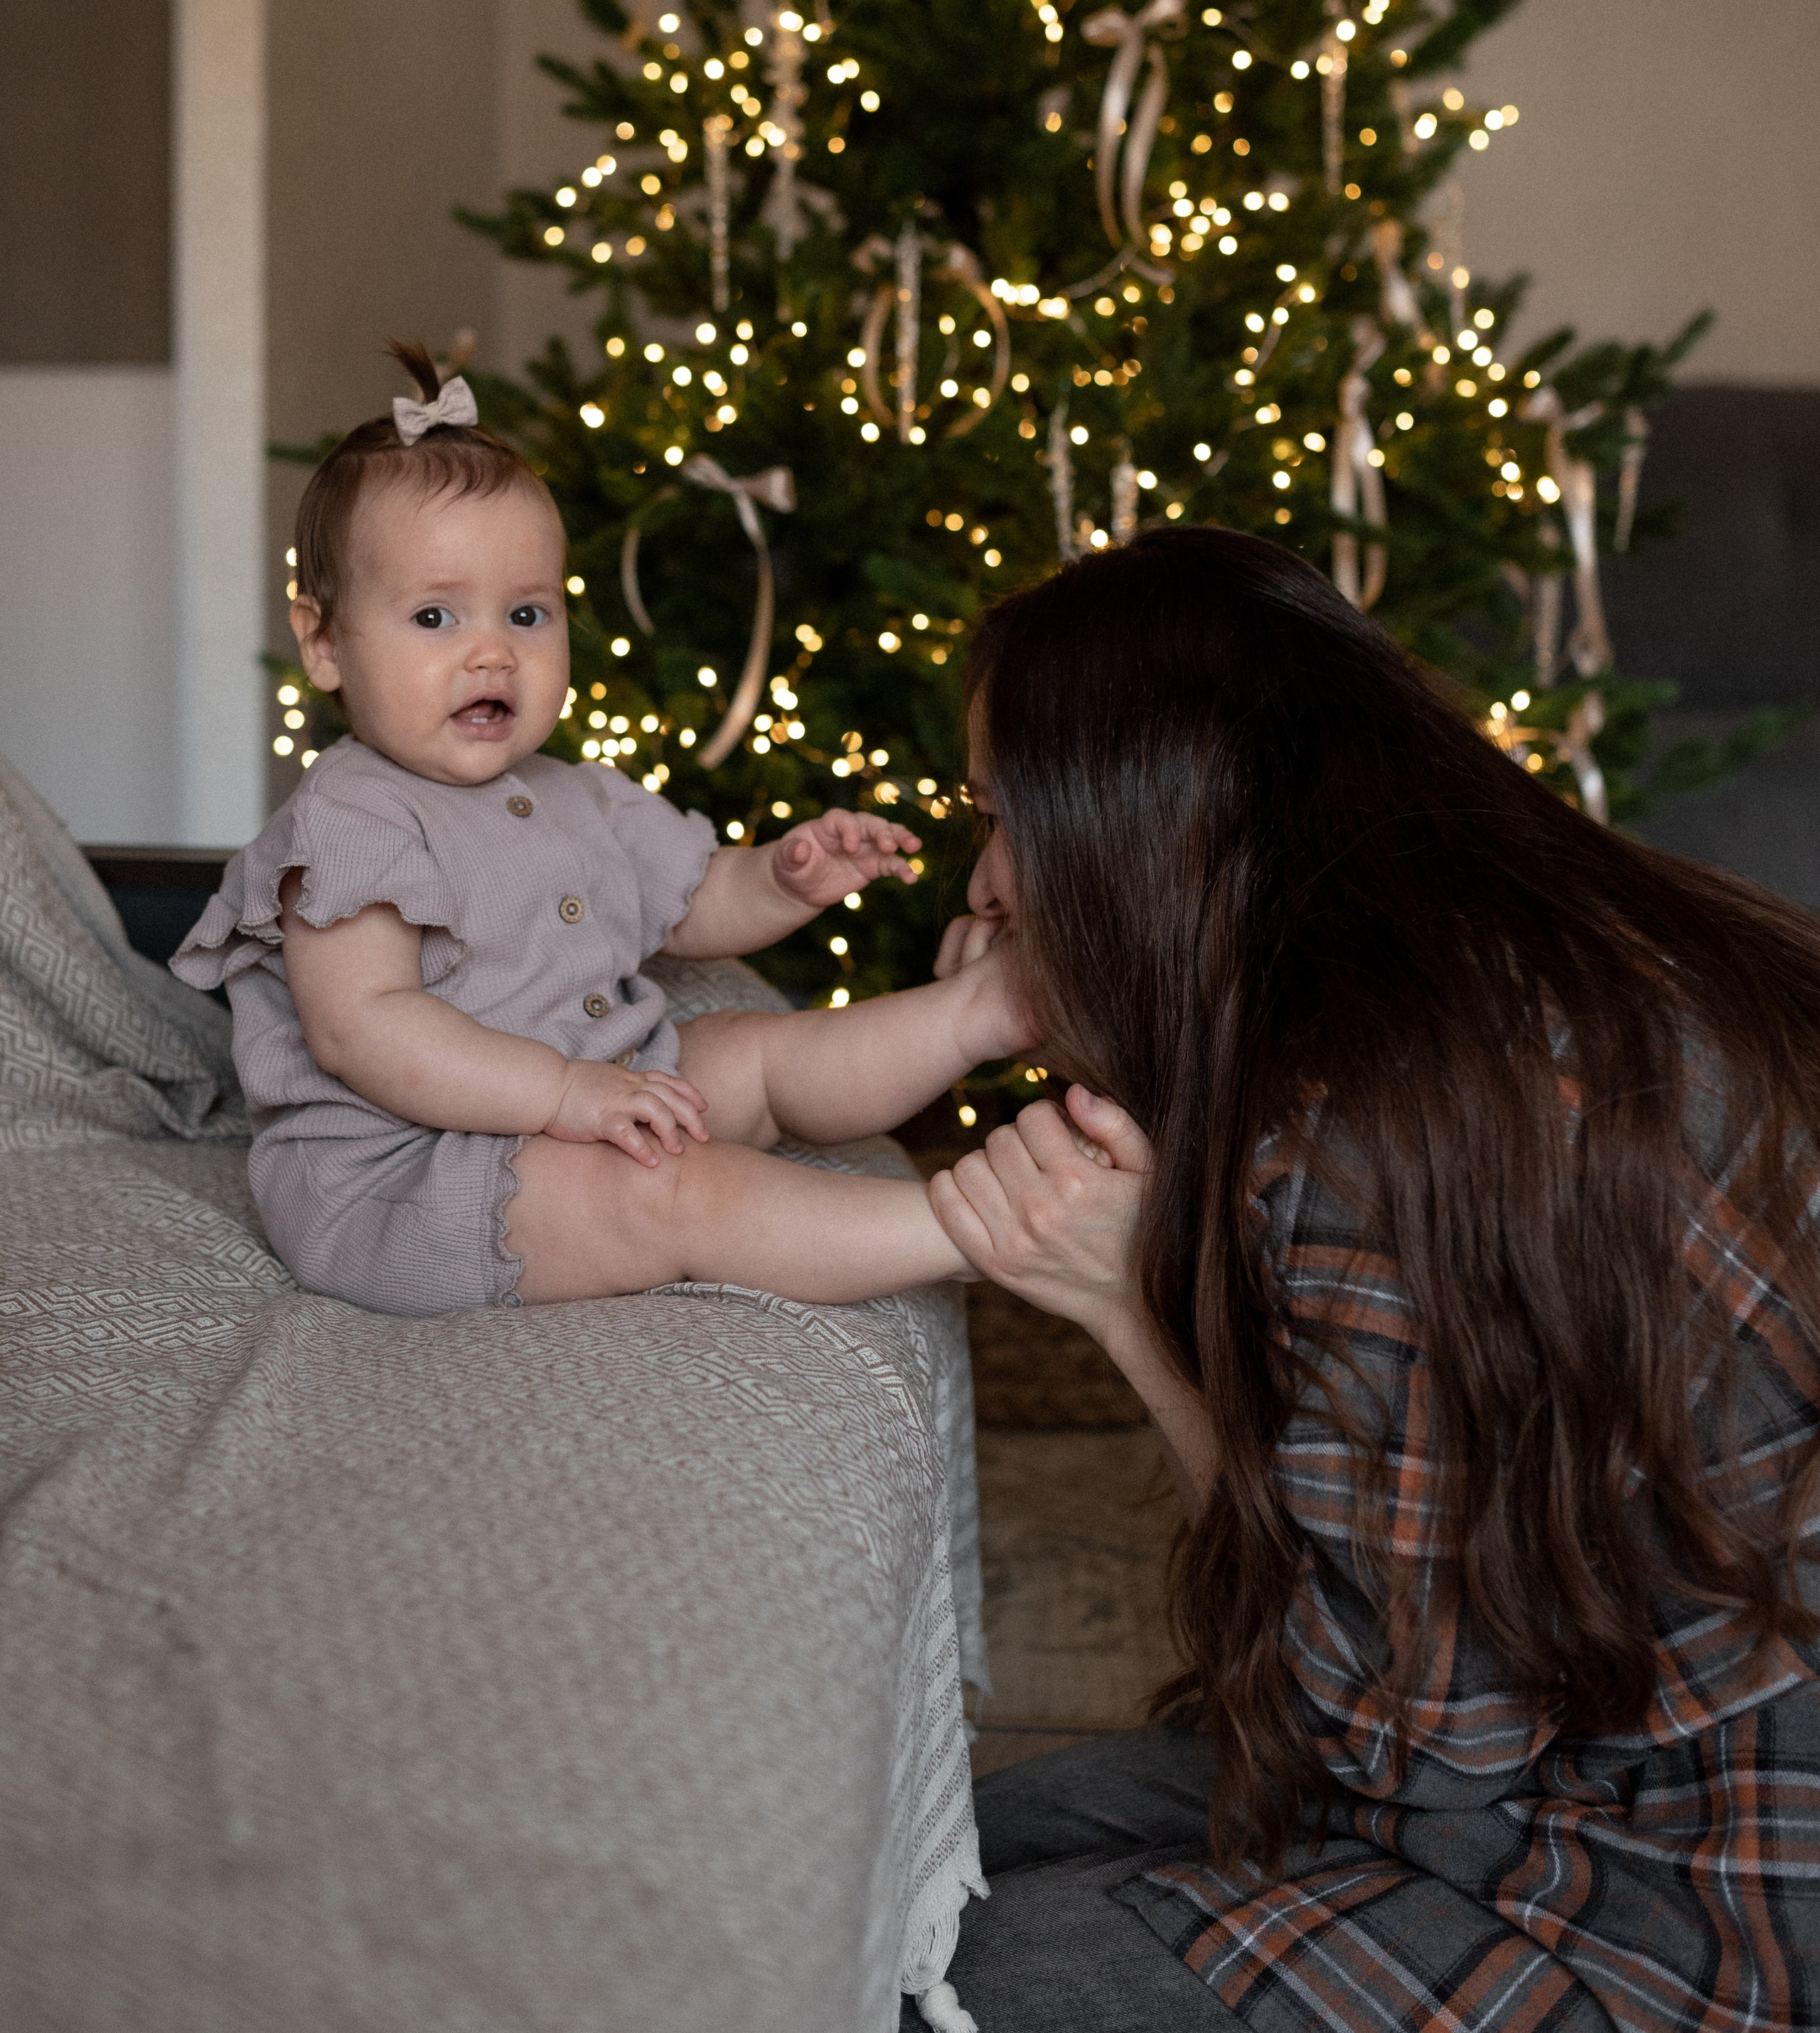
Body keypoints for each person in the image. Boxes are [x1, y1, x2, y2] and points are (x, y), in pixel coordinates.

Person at [915, 525, 1820, 2033]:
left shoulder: (1358, 1136)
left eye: (1001, 817)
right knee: (925, 1855)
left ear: (1126, 825)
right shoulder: (1559, 958)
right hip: (1611, 1729)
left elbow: (1393, 1743)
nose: (983, 880)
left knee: (915, 1978)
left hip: (1706, 1890)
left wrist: (1128, 1313)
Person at [173, 344, 1029, 1318]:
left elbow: (693, 902)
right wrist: (562, 1095)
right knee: (667, 1193)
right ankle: (971, 1229)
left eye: (527, 612)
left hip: (594, 1089)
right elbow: (363, 1029)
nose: (491, 649)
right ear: (324, 642)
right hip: (411, 1182)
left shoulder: (577, 793)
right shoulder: (348, 821)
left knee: (747, 1050)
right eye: (435, 615)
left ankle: (993, 1008)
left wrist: (784, 880)